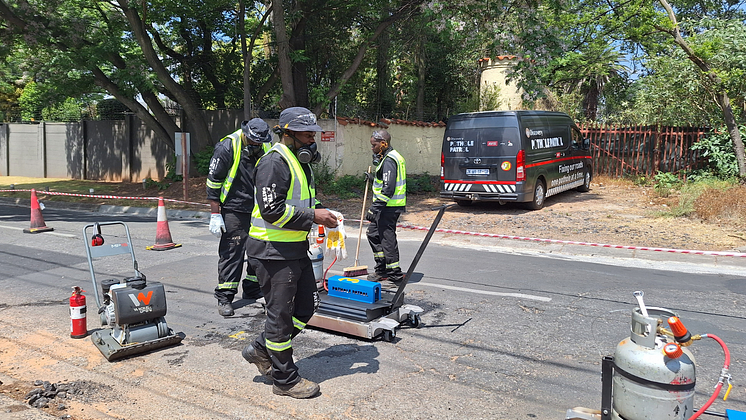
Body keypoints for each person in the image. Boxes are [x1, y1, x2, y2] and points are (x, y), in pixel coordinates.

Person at [241, 107, 338, 399]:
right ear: (288, 134)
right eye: (307, 134)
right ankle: (285, 380)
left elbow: (303, 199)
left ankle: (260, 349)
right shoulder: (274, 162)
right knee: (280, 317)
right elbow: (272, 211)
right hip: (271, 252)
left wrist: (324, 212)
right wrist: (313, 217)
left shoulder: (299, 161)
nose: (312, 139)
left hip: (293, 248)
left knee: (306, 307)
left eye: (313, 134)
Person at [206, 118, 272, 317]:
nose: (256, 145)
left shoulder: (266, 144)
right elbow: (213, 182)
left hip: (258, 208)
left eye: (259, 143)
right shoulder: (227, 147)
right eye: (253, 142)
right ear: (245, 133)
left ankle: (252, 288)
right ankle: (225, 297)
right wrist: (215, 214)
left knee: (258, 249)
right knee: (233, 252)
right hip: (234, 208)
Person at [365, 129, 406, 283]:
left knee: (387, 239)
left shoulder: (389, 159)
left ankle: (394, 273)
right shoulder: (388, 157)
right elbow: (385, 179)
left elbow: (388, 189)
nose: (372, 148)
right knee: (373, 234)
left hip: (389, 207)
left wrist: (374, 208)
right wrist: (373, 177)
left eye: (374, 145)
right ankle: (382, 269)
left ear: (383, 144)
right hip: (386, 206)